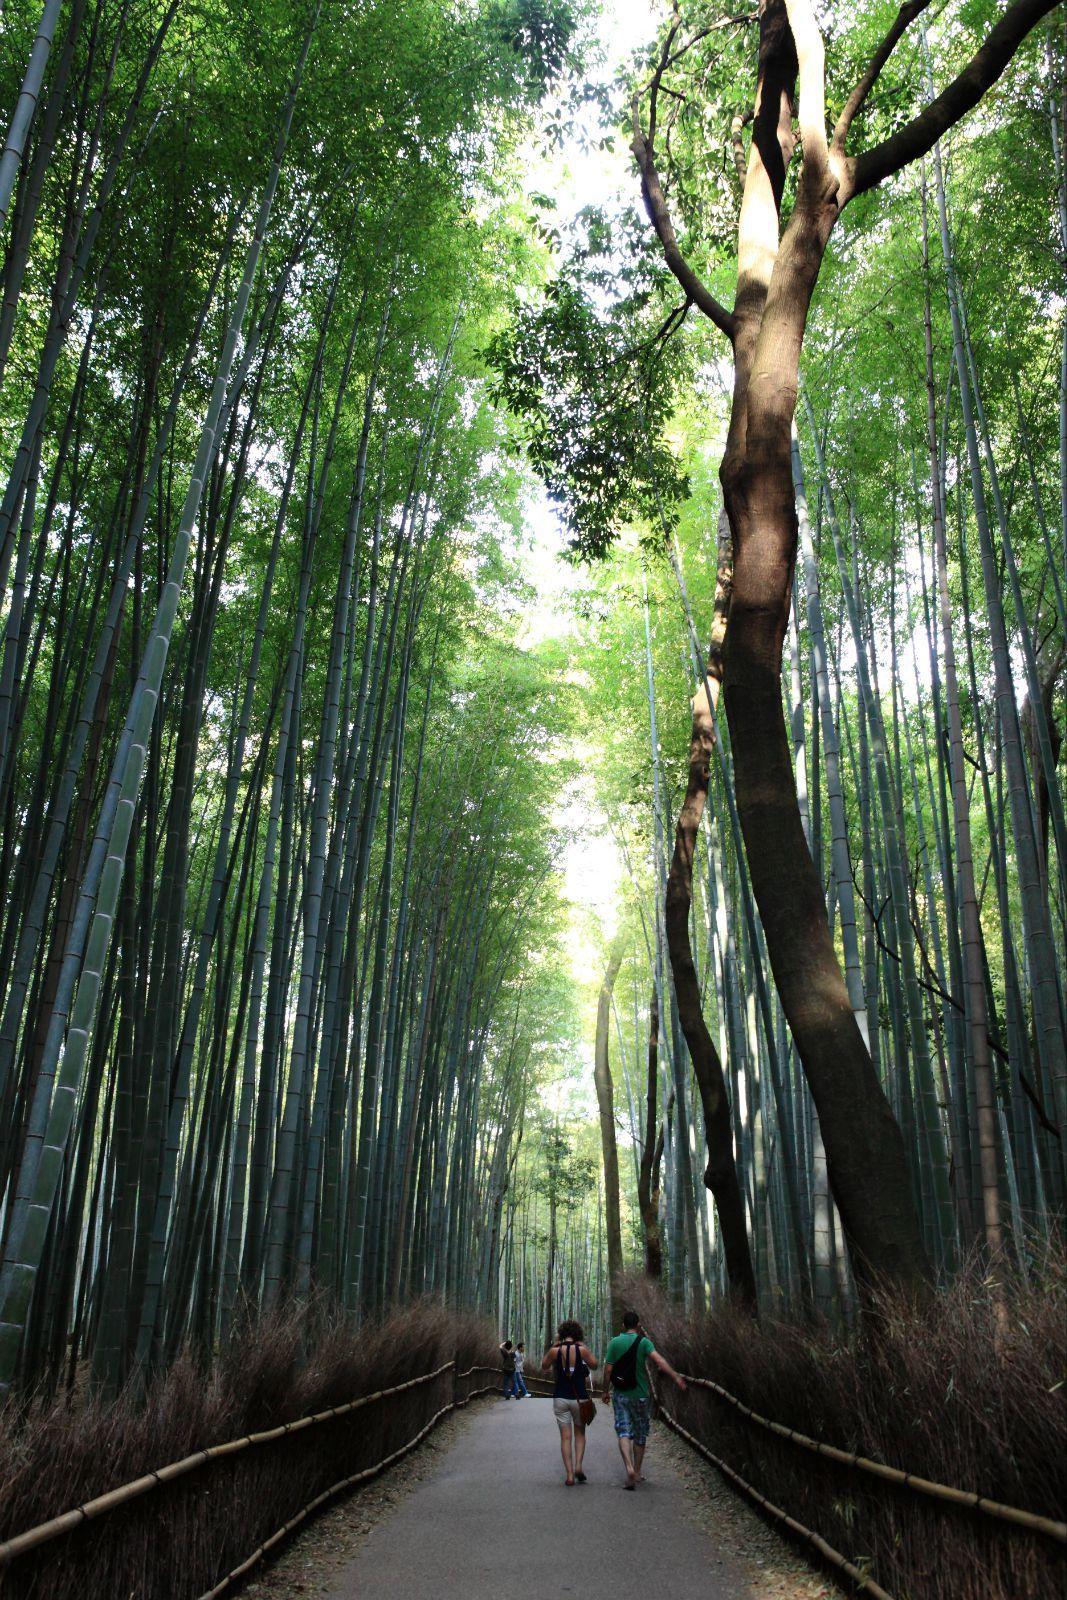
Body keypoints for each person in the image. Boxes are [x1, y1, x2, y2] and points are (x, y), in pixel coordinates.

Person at [601, 1308, 686, 1489]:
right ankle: (637, 1472)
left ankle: (629, 1468)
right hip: (640, 1395)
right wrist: (676, 1377)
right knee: (640, 1432)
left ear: (623, 1325)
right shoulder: (644, 1342)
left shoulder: (615, 1342)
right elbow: (660, 1361)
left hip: (621, 1394)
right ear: (638, 1325)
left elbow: (608, 1370)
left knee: (623, 1431)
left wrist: (605, 1391)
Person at [542, 1319, 598, 1485]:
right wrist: (584, 1348)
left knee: (565, 1438)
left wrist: (554, 1346)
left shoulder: (555, 1351)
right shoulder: (582, 1350)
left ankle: (569, 1475)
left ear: (562, 1333)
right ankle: (579, 1466)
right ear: (577, 1335)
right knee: (580, 1433)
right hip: (579, 1398)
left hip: (560, 1398)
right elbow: (594, 1365)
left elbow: (544, 1366)